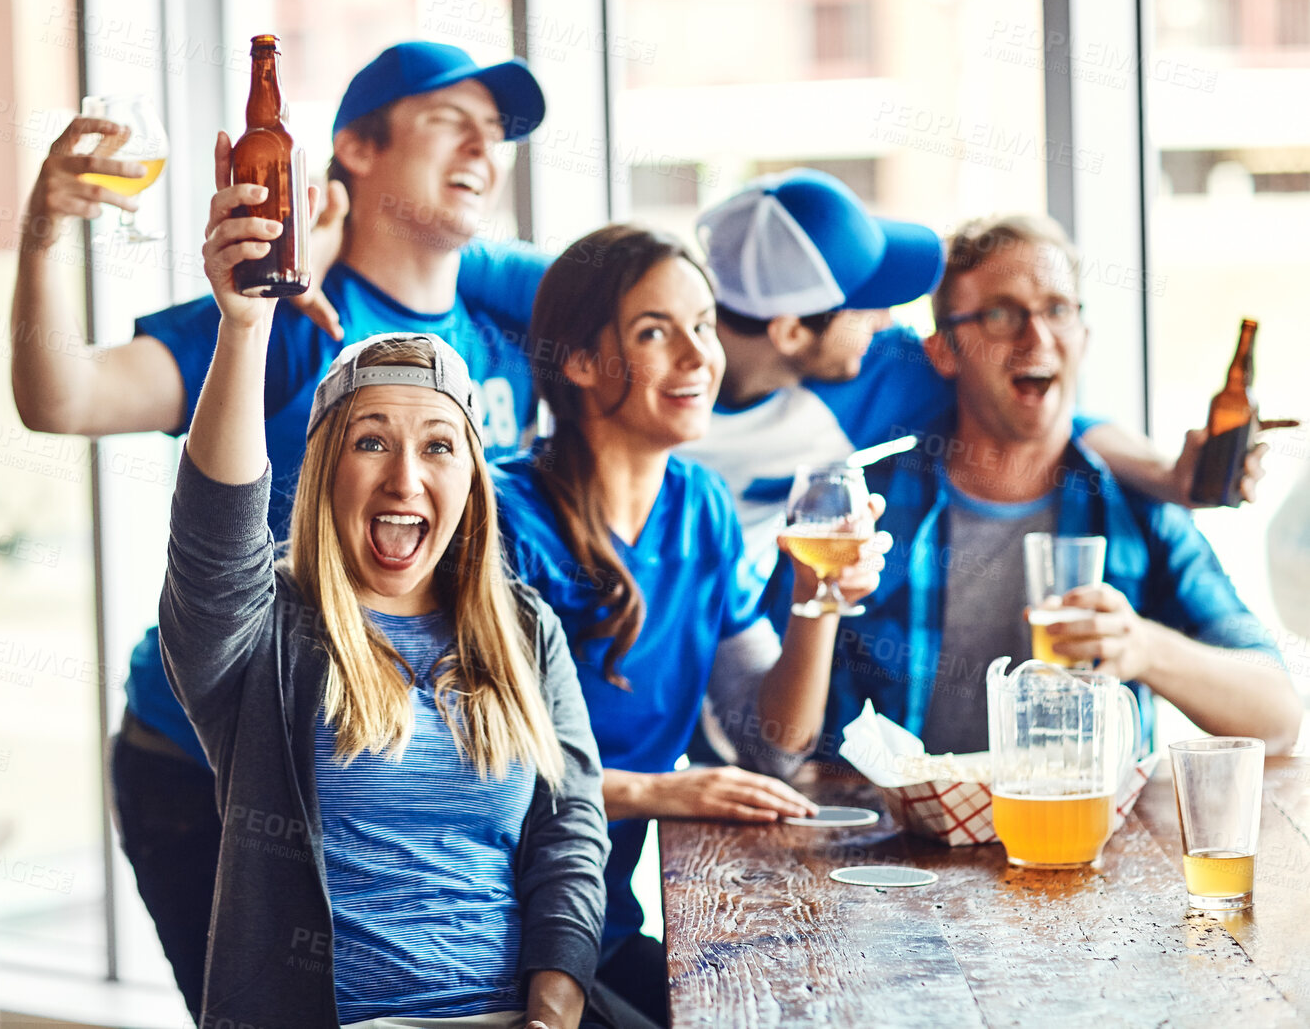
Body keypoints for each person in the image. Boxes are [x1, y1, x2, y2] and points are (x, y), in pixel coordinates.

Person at [10, 41, 553, 1017]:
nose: (484, 148)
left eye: (497, 132)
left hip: (408, 755)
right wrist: (47, 228)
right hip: (216, 756)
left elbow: (650, 293)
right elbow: (61, 396)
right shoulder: (284, 313)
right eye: (448, 122)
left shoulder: (505, 330)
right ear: (351, 148)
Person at [162, 184, 610, 1025]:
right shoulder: (265, 638)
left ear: (471, 484)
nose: (406, 476)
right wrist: (244, 327)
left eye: (439, 446)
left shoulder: (525, 631)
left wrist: (556, 997)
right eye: (371, 441)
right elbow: (215, 529)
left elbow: (568, 826)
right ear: (327, 471)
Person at [672, 169, 1279, 765]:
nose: (1037, 336)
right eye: (1000, 314)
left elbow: (1278, 714)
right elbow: (773, 742)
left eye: (1059, 309)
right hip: (879, 843)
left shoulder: (1133, 509)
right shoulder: (853, 505)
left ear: (1085, 334)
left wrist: (1145, 641)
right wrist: (818, 605)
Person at [491, 225, 886, 1027]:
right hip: (492, 945)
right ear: (578, 360)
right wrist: (662, 791)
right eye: (654, 331)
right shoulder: (502, 519)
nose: (697, 354)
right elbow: (483, 775)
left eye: (703, 324)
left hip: (600, 930)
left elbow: (769, 740)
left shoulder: (700, 507)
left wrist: (817, 602)